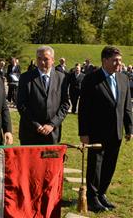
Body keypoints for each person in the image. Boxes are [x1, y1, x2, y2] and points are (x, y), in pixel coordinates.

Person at [78, 46, 133, 213]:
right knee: (96, 166)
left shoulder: (123, 79)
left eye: (120, 60)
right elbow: (84, 109)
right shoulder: (91, 79)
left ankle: (102, 193)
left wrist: (129, 128)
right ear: (104, 60)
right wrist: (84, 133)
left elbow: (127, 106)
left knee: (110, 165)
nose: (119, 63)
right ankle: (93, 198)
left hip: (116, 132)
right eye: (115, 60)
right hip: (96, 132)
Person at [17, 45, 70, 145]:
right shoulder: (25, 78)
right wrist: (36, 125)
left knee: (50, 160)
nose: (42, 62)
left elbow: (65, 104)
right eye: (39, 58)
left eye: (46, 59)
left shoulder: (61, 78)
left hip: (52, 133)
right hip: (30, 133)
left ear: (53, 60)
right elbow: (21, 104)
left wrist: (52, 124)